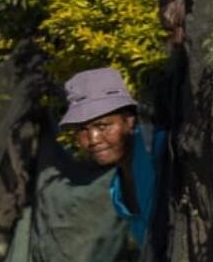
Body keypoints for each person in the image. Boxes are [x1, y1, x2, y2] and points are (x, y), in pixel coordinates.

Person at [59, 67, 166, 246]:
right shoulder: (116, 189)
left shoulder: (161, 149)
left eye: (103, 126)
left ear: (129, 121)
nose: (92, 140)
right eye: (82, 130)